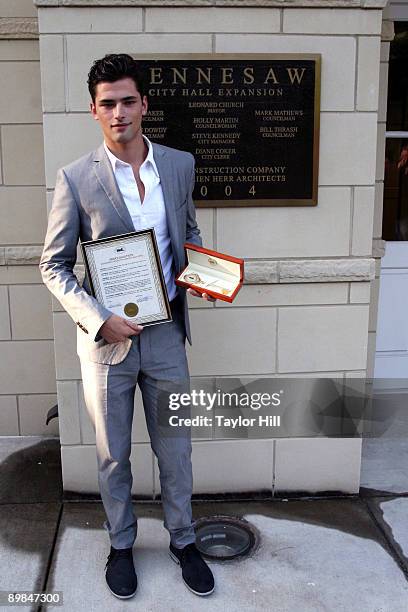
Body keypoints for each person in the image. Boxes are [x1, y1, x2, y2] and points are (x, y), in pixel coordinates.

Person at [40, 53, 215, 599]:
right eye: (108, 103)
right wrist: (99, 320)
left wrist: (206, 270)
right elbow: (53, 264)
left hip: (164, 335)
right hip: (108, 342)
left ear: (145, 105)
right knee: (113, 452)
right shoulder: (75, 178)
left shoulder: (179, 164)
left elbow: (189, 234)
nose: (120, 112)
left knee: (176, 447)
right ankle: (121, 545)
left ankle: (183, 540)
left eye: (128, 101)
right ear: (94, 111)